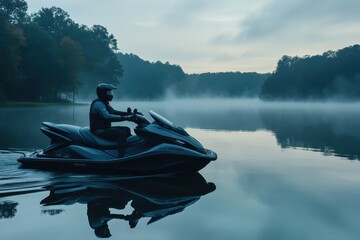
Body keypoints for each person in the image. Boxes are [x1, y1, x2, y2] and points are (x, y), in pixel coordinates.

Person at [89, 83, 136, 157]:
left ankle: (130, 150)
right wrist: (126, 118)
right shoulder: (98, 104)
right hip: (99, 130)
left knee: (126, 129)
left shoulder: (105, 103)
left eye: (111, 92)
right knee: (122, 133)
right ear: (103, 93)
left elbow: (114, 112)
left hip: (105, 128)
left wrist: (130, 114)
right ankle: (121, 155)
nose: (111, 94)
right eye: (109, 92)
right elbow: (107, 116)